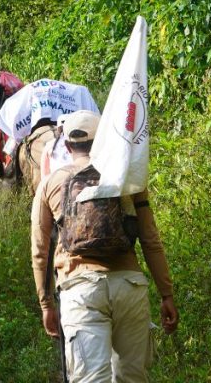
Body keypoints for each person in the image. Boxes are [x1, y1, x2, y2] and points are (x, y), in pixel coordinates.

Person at [30, 110, 178, 383]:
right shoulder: (128, 179)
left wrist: (46, 303)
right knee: (132, 379)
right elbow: (150, 240)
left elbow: (40, 252)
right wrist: (166, 294)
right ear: (103, 141)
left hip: (80, 290)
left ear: (66, 145)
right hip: (129, 288)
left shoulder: (50, 184)